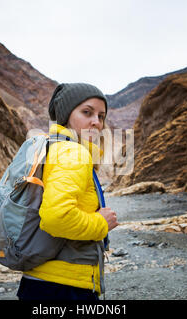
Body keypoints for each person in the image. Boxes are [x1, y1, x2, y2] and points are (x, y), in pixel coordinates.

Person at [16, 83, 119, 301]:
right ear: (66, 115)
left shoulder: (53, 147)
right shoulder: (73, 153)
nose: (96, 122)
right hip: (63, 286)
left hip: (42, 280)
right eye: (87, 112)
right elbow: (56, 218)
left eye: (101, 116)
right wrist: (101, 223)